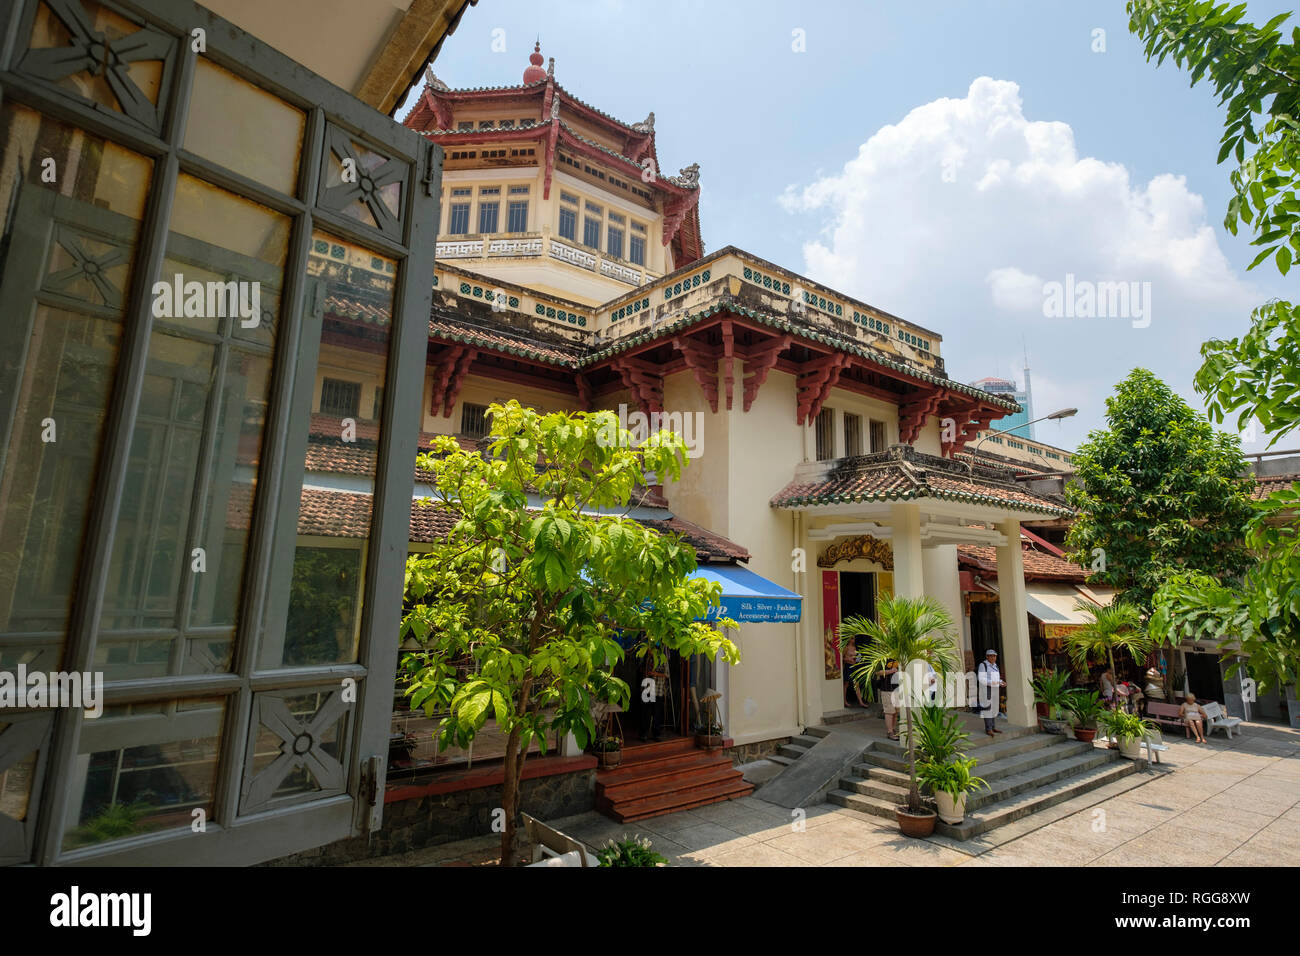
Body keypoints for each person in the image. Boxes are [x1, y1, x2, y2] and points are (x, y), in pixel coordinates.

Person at [977, 649, 1006, 737]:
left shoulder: (995, 666)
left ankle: (993, 727)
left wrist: (1001, 682)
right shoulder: (983, 665)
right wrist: (995, 683)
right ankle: (988, 729)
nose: (993, 657)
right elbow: (981, 679)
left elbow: (996, 678)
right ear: (987, 657)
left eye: (994, 656)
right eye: (991, 656)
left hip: (995, 689)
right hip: (987, 689)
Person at [877, 659, 900, 740]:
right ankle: (889, 732)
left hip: (897, 689)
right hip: (887, 689)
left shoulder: (899, 657)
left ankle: (893, 729)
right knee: (889, 711)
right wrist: (891, 671)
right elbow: (878, 672)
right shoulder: (882, 659)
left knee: (895, 712)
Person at [842, 641, 866, 708]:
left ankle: (860, 702)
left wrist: (857, 659)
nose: (853, 640)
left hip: (854, 667)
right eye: (852, 638)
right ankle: (844, 701)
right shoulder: (846, 648)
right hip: (848, 667)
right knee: (846, 684)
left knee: (856, 684)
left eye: (854, 638)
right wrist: (849, 659)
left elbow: (857, 657)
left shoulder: (854, 647)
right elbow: (842, 658)